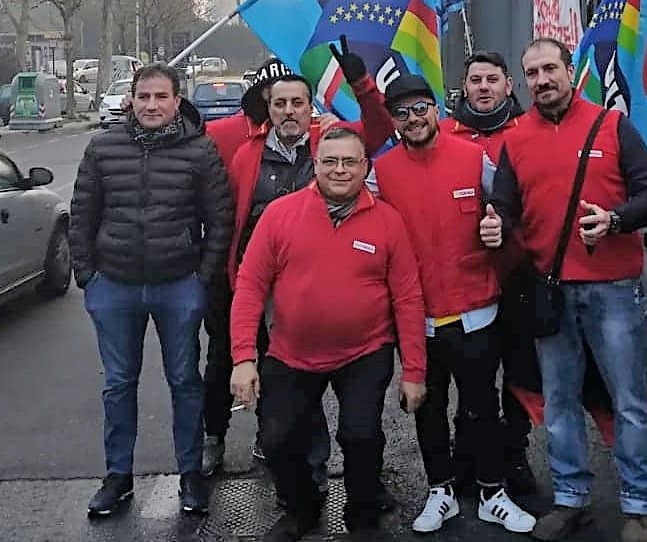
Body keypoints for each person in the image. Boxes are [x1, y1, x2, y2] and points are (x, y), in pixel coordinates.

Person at [492, 38, 647, 542]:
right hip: (550, 292)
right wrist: (494, 220)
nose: (542, 80)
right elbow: (504, 204)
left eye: (550, 68)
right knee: (559, 401)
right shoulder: (515, 138)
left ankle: (639, 505)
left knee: (629, 399)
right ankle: (570, 497)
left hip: (614, 290)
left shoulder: (612, 125)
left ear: (571, 70)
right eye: (532, 73)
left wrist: (615, 219)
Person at [202, 51, 394, 479]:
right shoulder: (248, 156)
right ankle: (277, 453)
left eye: (297, 103)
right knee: (264, 373)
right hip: (259, 279)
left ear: (311, 108)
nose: (289, 111)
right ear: (268, 110)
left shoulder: (330, 145)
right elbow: (233, 214)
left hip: (312, 281)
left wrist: (361, 84)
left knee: (311, 377)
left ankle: (316, 462)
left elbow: (380, 128)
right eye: (280, 104)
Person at [230, 126, 426, 541]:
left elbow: (408, 298)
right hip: (290, 352)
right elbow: (249, 285)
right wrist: (243, 358)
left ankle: (362, 514)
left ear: (365, 167)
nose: (340, 170)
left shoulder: (388, 221)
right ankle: (302, 506)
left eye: (350, 162)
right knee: (277, 439)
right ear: (315, 165)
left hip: (365, 350)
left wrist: (414, 371)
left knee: (360, 436)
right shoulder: (279, 214)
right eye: (331, 161)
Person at [69, 62, 235, 520]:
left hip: (178, 285)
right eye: (144, 96)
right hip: (114, 285)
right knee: (118, 384)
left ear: (177, 101)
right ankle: (117, 477)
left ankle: (190, 474)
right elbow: (81, 215)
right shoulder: (103, 148)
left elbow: (220, 219)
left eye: (161, 97)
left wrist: (203, 278)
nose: (151, 105)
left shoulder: (199, 150)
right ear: (131, 100)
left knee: (184, 381)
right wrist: (88, 276)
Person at [373, 73, 537, 534]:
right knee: (427, 408)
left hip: (476, 311)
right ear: (393, 121)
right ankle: (440, 492)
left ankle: (492, 493)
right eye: (401, 112)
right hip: (417, 318)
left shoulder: (472, 157)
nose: (413, 118)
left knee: (482, 408)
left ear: (437, 110)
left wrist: (499, 224)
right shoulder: (380, 172)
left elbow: (509, 205)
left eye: (420, 107)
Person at [438, 50, 537, 497]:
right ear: (465, 86)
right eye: (475, 79)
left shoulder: (529, 132)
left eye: (492, 79)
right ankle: (468, 453)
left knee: (519, 373)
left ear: (508, 85)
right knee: (470, 375)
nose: (483, 87)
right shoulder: (443, 134)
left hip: (518, 273)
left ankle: (514, 453)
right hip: (462, 280)